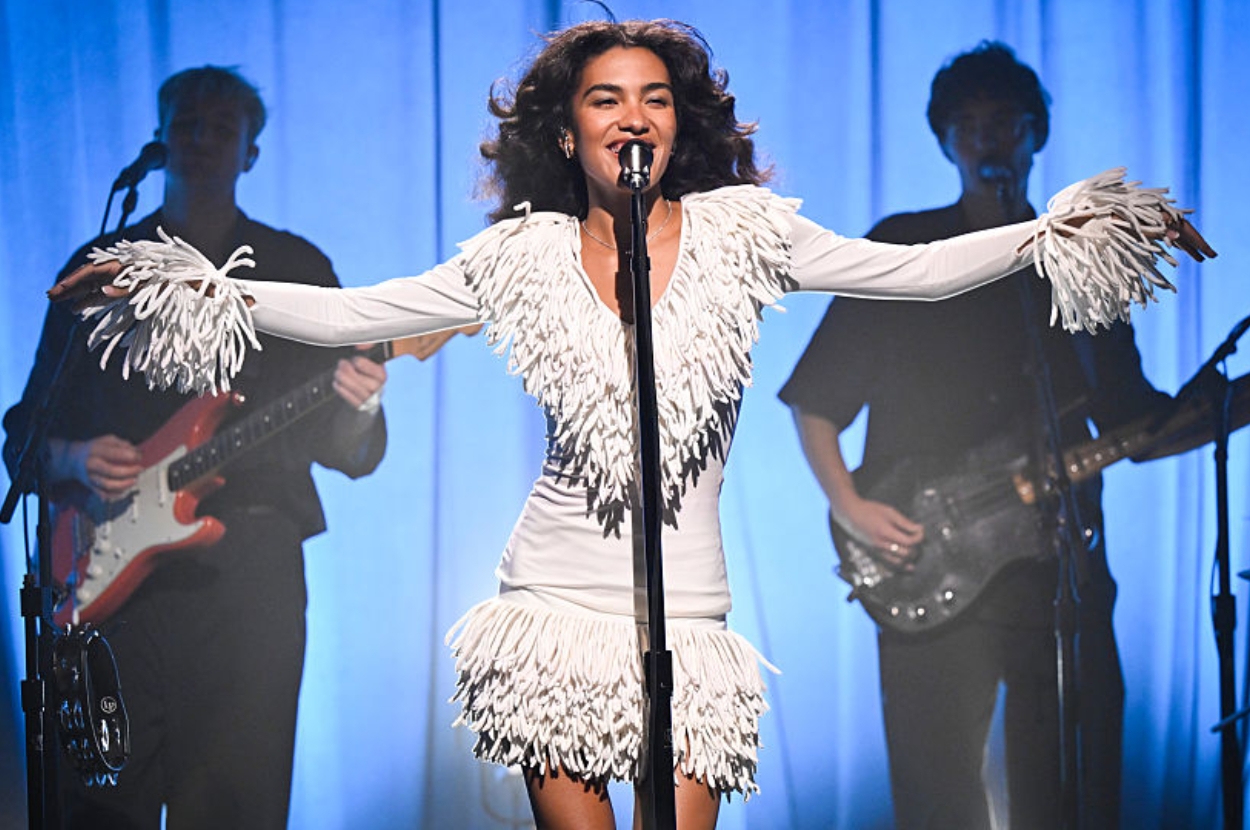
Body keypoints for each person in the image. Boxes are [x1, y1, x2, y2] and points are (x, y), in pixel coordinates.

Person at [48, 23, 1211, 830]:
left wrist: (1057, 232)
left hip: (688, 616)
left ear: (677, 123)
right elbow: (357, 312)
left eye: (652, 96)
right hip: (551, 609)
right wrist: (185, 281)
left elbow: (907, 270)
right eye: (604, 98)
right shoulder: (521, 255)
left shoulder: (748, 234)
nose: (631, 113)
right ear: (568, 132)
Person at [779, 42, 1183, 829]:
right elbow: (817, 399)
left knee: (1073, 792)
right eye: (967, 124)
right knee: (936, 798)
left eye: (1005, 121)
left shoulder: (1083, 265)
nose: (987, 138)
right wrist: (852, 508)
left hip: (1059, 569)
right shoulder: (906, 246)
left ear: (1035, 134)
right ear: (946, 142)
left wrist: (1219, 410)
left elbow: (1134, 419)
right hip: (928, 558)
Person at [2, 66, 390, 829]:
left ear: (251, 152)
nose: (202, 138)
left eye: (222, 127)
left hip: (249, 574)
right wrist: (75, 458)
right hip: (107, 576)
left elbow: (352, 452)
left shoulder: (299, 271)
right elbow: (25, 432)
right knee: (99, 802)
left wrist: (361, 402)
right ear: (160, 137)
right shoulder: (104, 264)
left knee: (236, 802)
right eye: (186, 123)